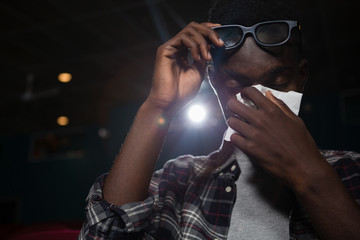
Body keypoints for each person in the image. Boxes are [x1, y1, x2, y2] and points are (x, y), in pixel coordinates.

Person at [77, 0, 360, 239]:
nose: (257, 98)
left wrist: (309, 172)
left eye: (278, 81)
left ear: (301, 76)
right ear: (215, 83)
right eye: (237, 83)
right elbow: (102, 233)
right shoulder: (182, 179)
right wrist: (159, 107)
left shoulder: (350, 170)